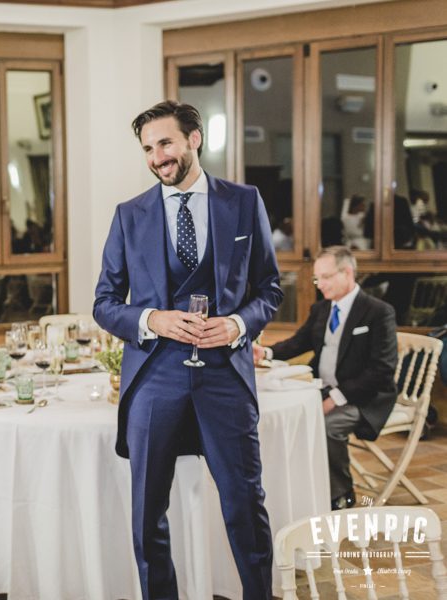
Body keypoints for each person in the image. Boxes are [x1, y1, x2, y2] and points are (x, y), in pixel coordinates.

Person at [93, 100, 282, 600]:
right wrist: (151, 319)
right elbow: (104, 304)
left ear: (194, 139)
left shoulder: (244, 202)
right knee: (147, 512)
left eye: (165, 143)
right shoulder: (129, 215)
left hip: (225, 376)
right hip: (154, 378)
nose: (157, 157)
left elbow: (270, 289)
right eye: (148, 149)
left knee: (245, 504)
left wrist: (238, 324)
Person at [253, 246, 397, 510]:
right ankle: (305, 486)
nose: (320, 284)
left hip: (366, 398)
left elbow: (381, 370)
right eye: (317, 278)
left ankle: (341, 494)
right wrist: (266, 352)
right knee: (293, 416)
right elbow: (299, 342)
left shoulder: (378, 312)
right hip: (323, 388)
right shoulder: (321, 309)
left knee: (326, 426)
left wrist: (335, 399)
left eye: (326, 277)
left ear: (348, 273)